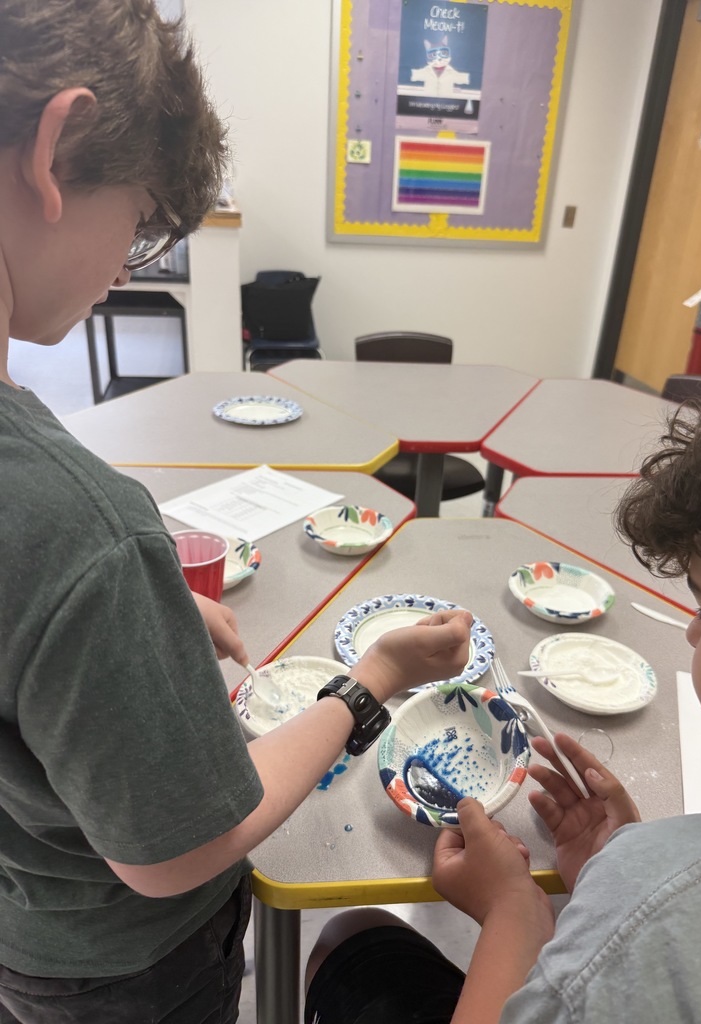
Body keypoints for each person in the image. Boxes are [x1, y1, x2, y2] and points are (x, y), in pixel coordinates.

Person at [0, 3, 473, 1021]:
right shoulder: (84, 530)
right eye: (135, 221)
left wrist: (132, 620)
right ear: (56, 144)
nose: (127, 265)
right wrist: (371, 681)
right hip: (129, 973)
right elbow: (174, 853)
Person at [303, 367, 701, 1024]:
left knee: (346, 938)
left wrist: (515, 911)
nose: (691, 630)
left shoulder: (665, 903)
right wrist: (617, 872)